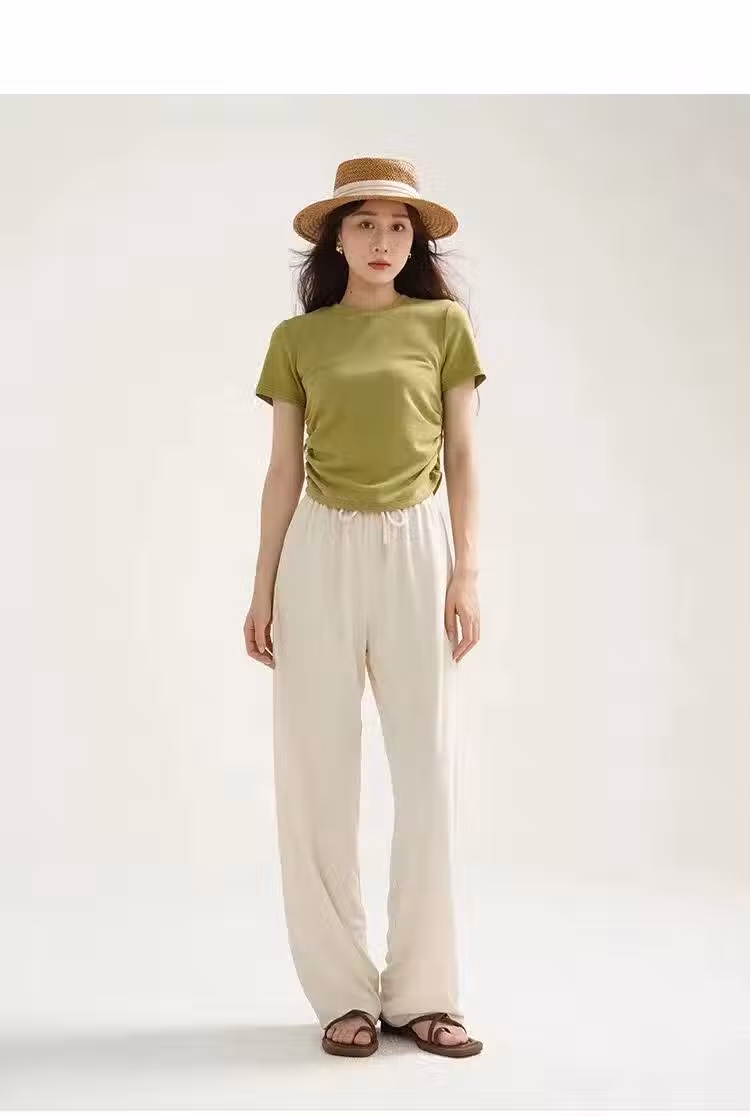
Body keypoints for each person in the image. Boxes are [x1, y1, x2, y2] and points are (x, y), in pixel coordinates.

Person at [244, 156, 486, 1059]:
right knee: (318, 774)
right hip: (318, 550)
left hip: (419, 546)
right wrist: (262, 585)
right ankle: (342, 994)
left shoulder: (444, 326)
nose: (383, 240)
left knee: (427, 774)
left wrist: (466, 572)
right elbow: (281, 469)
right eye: (365, 223)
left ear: (413, 242)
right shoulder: (297, 339)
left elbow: (463, 454)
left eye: (398, 226)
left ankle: (426, 994)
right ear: (335, 238)